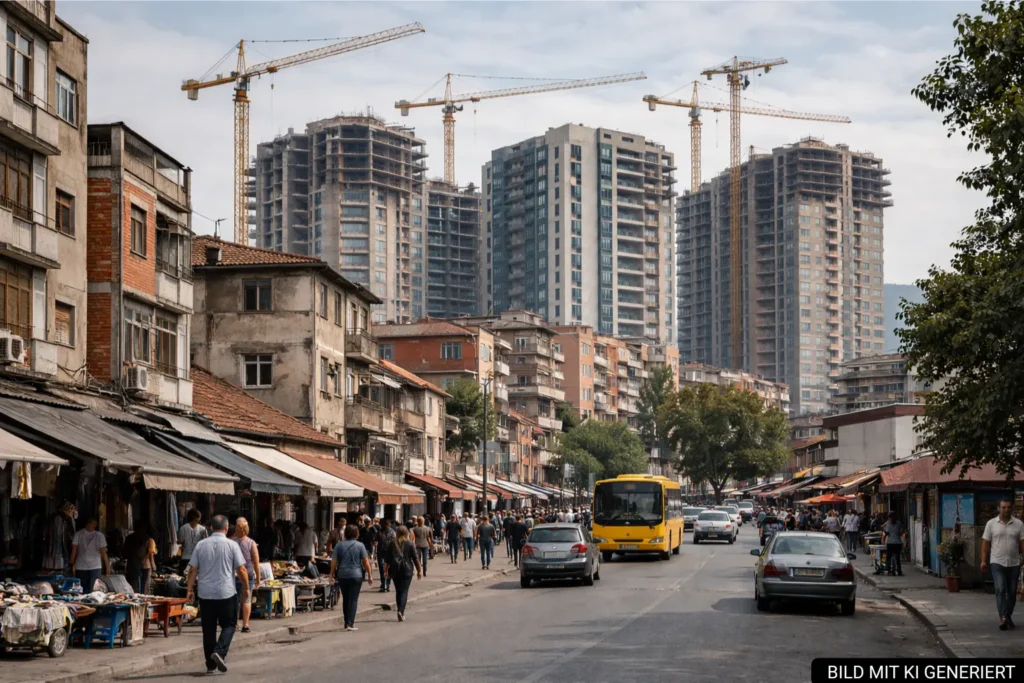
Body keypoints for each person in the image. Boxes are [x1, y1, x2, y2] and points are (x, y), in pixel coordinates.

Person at [187, 515, 248, 675]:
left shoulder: (201, 545)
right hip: (226, 592)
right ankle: (219, 652)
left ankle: (210, 665)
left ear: (211, 528)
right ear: (227, 528)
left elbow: (193, 569)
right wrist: (247, 587)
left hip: (205, 594)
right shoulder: (232, 545)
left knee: (208, 629)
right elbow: (241, 569)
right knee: (229, 625)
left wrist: (189, 590)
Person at [981, 498, 1024, 630]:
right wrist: (983, 560)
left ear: (1011, 508)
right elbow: (985, 543)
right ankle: (1003, 617)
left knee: (1011, 592)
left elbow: (1022, 542)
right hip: (997, 561)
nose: (1006, 510)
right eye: (1003, 507)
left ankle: (1008, 616)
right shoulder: (991, 524)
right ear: (999, 508)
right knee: (1000, 589)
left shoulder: (1018, 524)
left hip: (1014, 562)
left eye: (1008, 507)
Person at [330, 524, 373, 631]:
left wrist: (331, 574)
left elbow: (334, 561)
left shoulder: (339, 545)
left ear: (345, 533)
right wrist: (370, 575)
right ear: (356, 533)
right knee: (353, 599)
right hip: (356, 575)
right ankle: (350, 623)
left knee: (345, 599)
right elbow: (365, 562)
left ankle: (346, 622)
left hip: (342, 575)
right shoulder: (360, 545)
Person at [383, 525, 421, 622]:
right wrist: (419, 571)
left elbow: (387, 559)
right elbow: (415, 559)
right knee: (404, 591)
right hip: (407, 570)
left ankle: (400, 609)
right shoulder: (410, 544)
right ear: (406, 533)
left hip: (395, 570)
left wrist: (385, 571)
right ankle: (401, 611)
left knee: (398, 591)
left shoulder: (392, 543)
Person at [231, 517, 260, 633]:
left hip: (234, 574)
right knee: (246, 600)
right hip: (248, 574)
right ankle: (246, 624)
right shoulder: (251, 543)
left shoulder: (231, 542)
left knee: (234, 600)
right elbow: (256, 562)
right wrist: (258, 578)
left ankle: (234, 623)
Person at [70, 518, 110, 593]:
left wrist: (107, 567)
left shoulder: (98, 535)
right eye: (90, 522)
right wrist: (72, 563)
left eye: (92, 523)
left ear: (95, 525)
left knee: (85, 590)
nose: (90, 525)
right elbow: (103, 553)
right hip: (86, 566)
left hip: (91, 566)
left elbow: (103, 552)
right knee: (93, 590)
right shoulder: (98, 535)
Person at [124, 524, 156, 595]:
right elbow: (151, 554)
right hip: (143, 566)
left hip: (132, 565)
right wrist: (154, 567)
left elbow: (125, 553)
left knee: (133, 586)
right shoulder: (148, 539)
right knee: (143, 587)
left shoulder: (129, 538)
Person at [178, 509, 208, 574]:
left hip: (187, 558)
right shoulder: (203, 529)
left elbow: (179, 542)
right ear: (197, 518)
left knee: (185, 579)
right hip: (195, 559)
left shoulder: (183, 528)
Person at [881, 511, 905, 577]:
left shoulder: (887, 524)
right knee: (897, 557)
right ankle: (899, 570)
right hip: (898, 543)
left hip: (890, 543)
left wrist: (883, 540)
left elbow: (885, 533)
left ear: (889, 517)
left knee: (888, 556)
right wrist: (904, 541)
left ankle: (888, 569)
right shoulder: (899, 523)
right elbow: (902, 533)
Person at [377, 519, 396, 592]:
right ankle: (387, 584)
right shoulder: (393, 532)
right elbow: (395, 542)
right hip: (390, 552)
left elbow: (375, 542)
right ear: (389, 524)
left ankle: (383, 583)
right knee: (388, 568)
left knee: (382, 568)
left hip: (381, 552)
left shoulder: (379, 532)